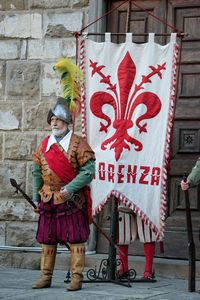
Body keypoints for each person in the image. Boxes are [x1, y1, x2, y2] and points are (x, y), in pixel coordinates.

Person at [31, 58, 95, 292]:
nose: (54, 123)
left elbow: (89, 172)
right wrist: (37, 198)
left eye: (58, 119)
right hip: (48, 198)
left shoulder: (79, 145)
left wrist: (70, 189)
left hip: (71, 199)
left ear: (68, 122)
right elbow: (36, 171)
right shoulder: (44, 144)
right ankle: (45, 276)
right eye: (52, 119)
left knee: (76, 239)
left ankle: (77, 278)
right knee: (47, 240)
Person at [117, 205, 162, 281]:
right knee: (122, 231)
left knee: (147, 231)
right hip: (125, 195)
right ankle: (123, 269)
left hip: (145, 197)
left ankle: (148, 271)